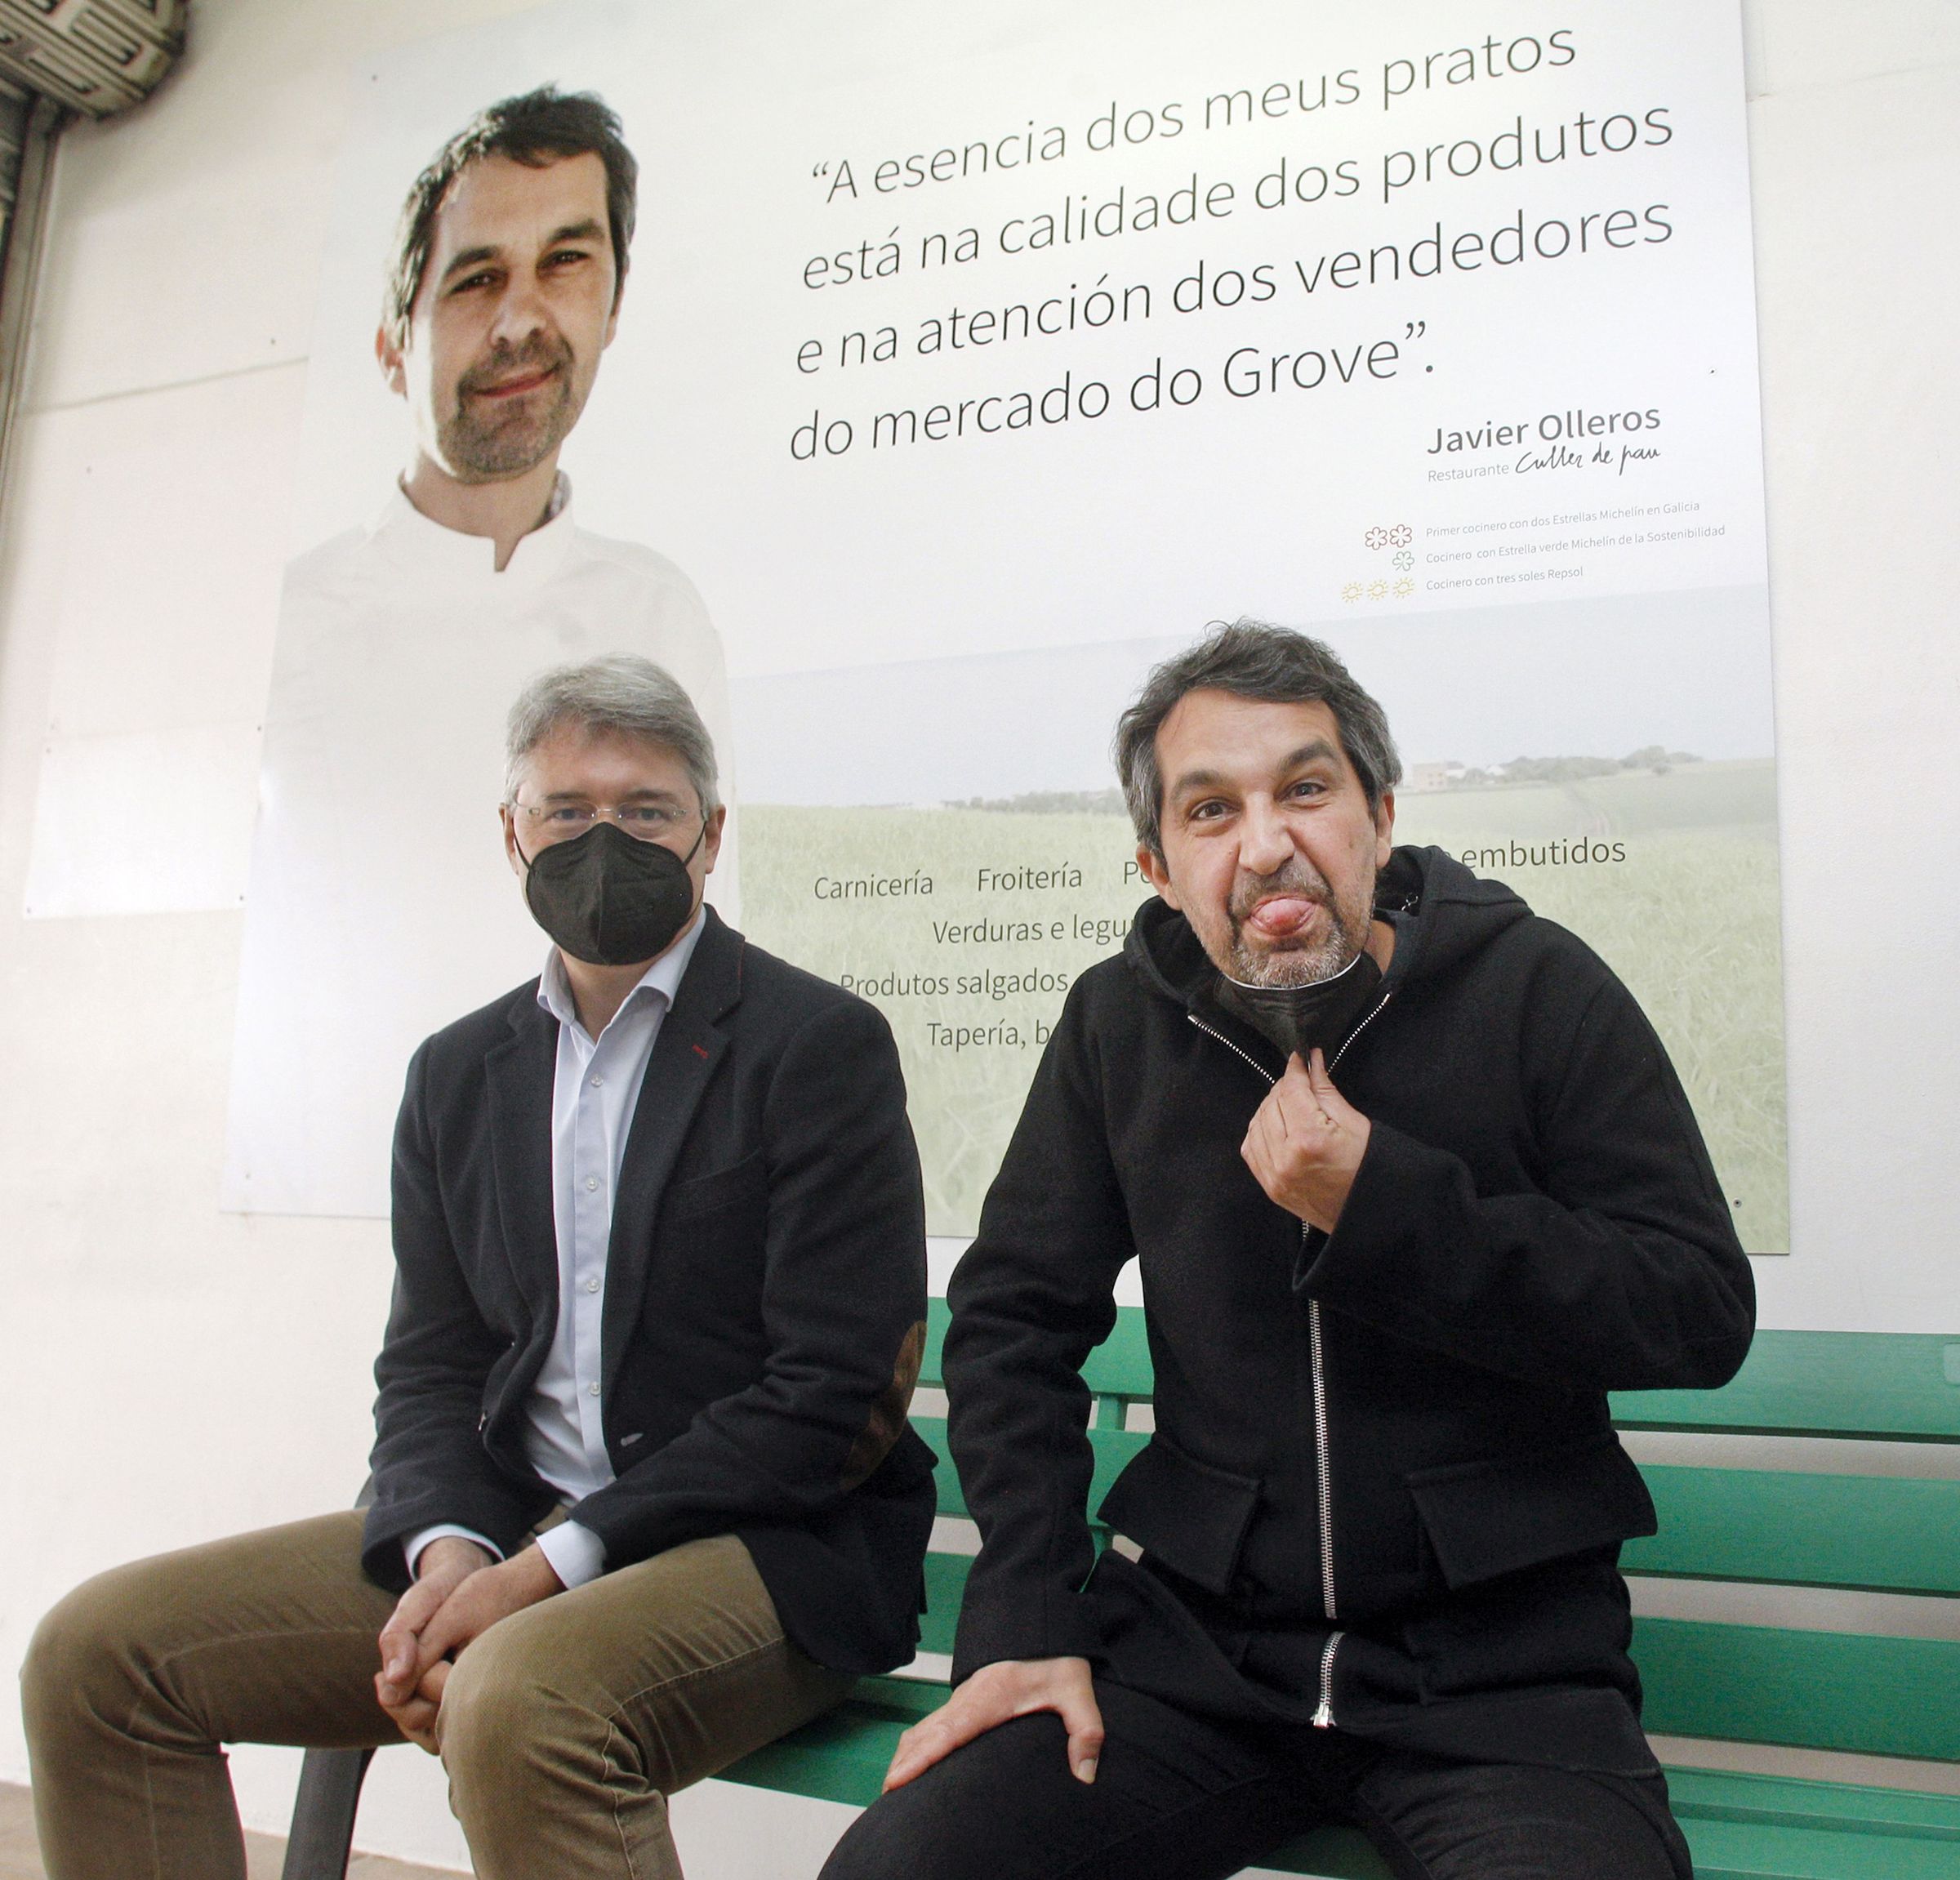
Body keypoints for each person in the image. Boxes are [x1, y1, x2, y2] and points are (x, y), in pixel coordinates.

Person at [821, 620, 1754, 1880]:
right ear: (1158, 863)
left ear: (1378, 808)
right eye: (1212, 809)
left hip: (1503, 1682)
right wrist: (1027, 1620)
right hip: (1198, 1659)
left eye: (1304, 789)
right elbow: (1011, 1321)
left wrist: (1385, 1203)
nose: (1266, 842)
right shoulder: (1116, 1023)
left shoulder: (1538, 986)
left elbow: (1697, 1307)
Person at [24, 656, 933, 1880]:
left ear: (711, 837)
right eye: (566, 810)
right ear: (511, 834)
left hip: (770, 1546)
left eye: (647, 811)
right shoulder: (459, 1073)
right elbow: (435, 1360)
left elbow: (832, 1391)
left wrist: (551, 1567)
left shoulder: (815, 1046)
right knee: (100, 1657)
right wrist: (448, 1547)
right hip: (509, 1525)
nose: (603, 839)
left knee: (517, 1698)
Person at [225, 84, 737, 1218]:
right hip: (329, 1194)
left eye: (565, 261)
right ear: (390, 344)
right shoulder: (295, 618)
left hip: (615, 1200)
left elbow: (703, 961)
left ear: (612, 303)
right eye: (475, 278)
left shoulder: (660, 607)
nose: (522, 322)